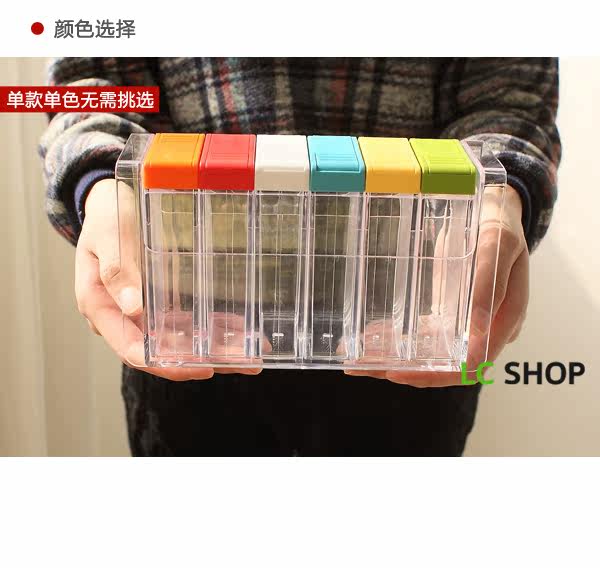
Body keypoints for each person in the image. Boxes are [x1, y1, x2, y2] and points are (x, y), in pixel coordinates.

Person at [39, 58, 560, 456]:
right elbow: (91, 78)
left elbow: (508, 88)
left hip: (413, 318)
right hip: (188, 320)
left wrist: (499, 191)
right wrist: (102, 179)